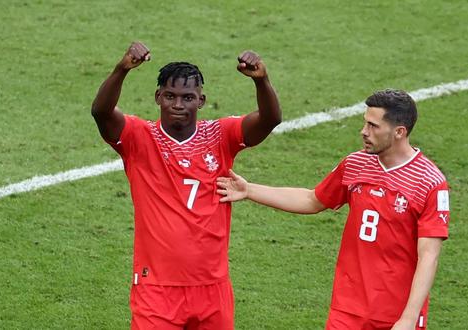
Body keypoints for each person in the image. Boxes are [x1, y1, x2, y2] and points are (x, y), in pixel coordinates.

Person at [217, 89, 449, 330]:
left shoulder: (428, 182)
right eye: (364, 123)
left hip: (397, 314)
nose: (364, 131)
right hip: (348, 309)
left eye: (373, 126)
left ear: (399, 132)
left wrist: (408, 319)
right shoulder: (356, 164)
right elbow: (312, 200)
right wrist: (249, 190)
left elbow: (428, 256)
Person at [91, 41, 281, 330]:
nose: (178, 105)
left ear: (201, 101)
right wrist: (121, 70)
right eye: (170, 96)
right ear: (158, 97)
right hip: (156, 288)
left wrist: (262, 81)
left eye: (187, 97)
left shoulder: (220, 135)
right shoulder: (139, 138)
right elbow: (101, 113)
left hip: (212, 288)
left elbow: (270, 119)